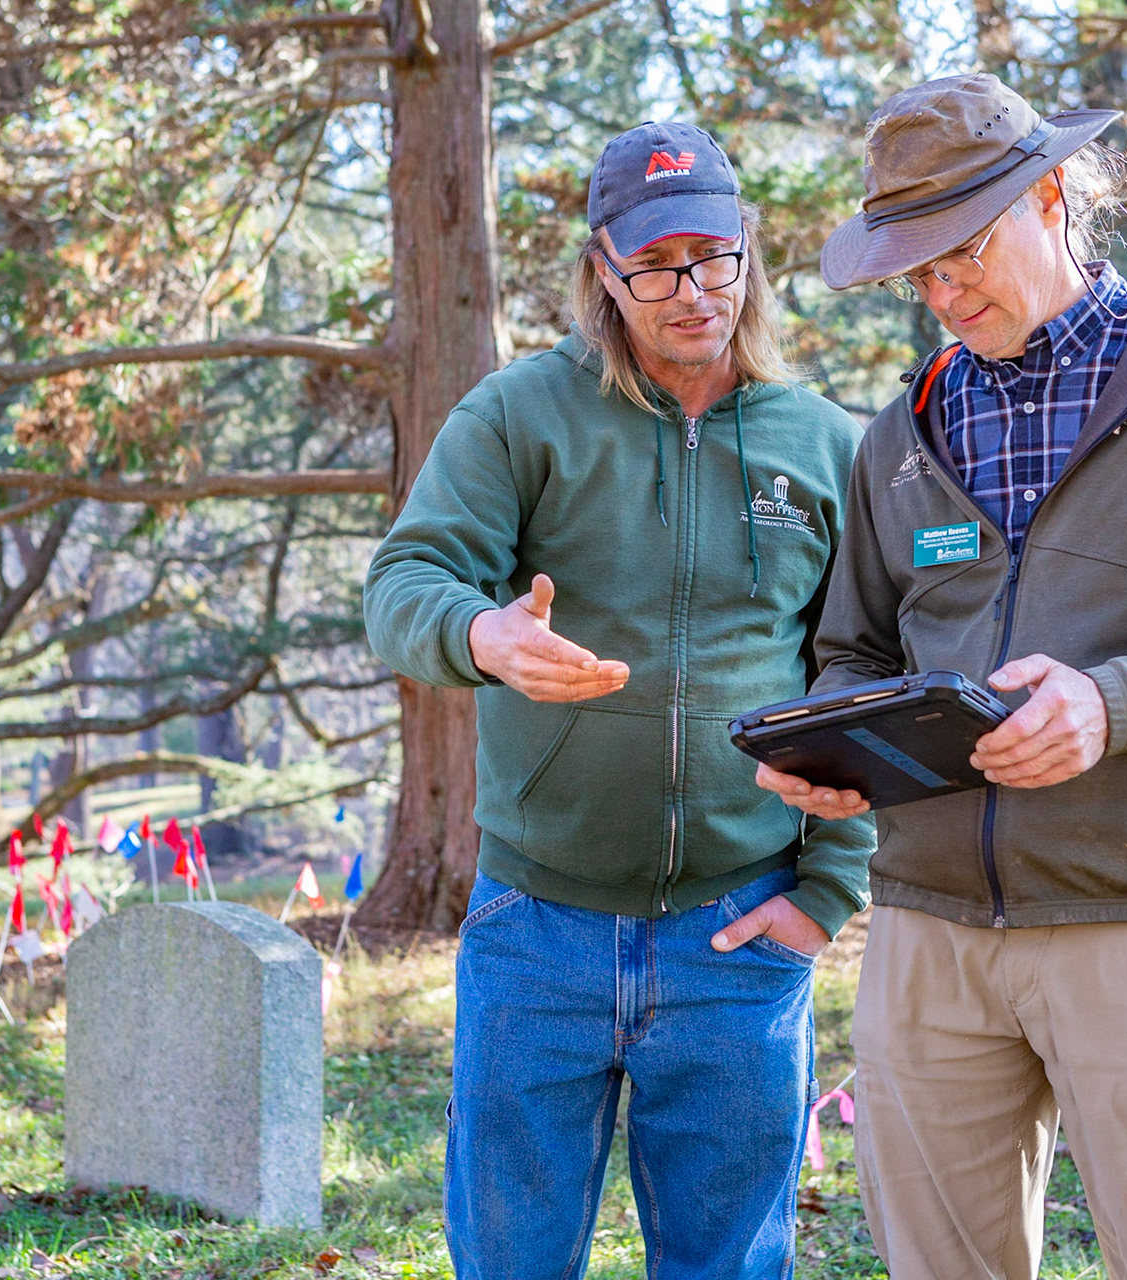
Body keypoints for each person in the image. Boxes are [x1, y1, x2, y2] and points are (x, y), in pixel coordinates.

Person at [759, 74, 1127, 1279]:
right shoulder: (901, 433)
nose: (942, 293)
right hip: (927, 931)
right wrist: (839, 751)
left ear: (1052, 197)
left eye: (962, 253)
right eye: (917, 273)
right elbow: (854, 652)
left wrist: (1113, 703)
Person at [364, 121, 873, 1279]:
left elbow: (866, 673)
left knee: (729, 1265)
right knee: (509, 1258)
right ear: (603, 268)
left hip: (740, 929)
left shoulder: (825, 442)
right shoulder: (520, 414)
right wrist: (482, 632)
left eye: (714, 255)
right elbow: (404, 582)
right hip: (536, 930)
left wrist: (827, 893)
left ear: (750, 247)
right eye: (654, 265)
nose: (690, 291)